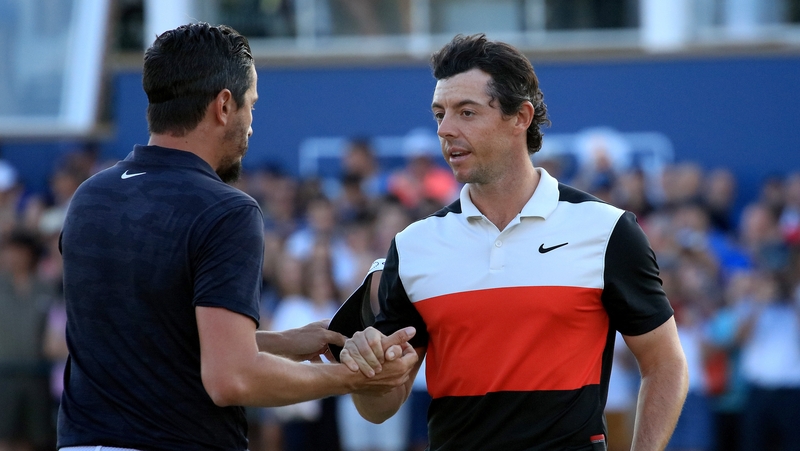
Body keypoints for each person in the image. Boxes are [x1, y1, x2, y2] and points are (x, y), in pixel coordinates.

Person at [56, 22, 417, 451]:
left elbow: (157, 338)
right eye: (251, 105)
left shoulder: (91, 196)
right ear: (224, 105)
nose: (251, 125)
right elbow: (232, 377)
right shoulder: (226, 209)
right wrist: (352, 376)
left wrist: (282, 343)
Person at [338, 34, 689, 450]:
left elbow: (665, 363)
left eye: (466, 112)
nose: (446, 130)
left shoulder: (607, 230)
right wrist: (366, 368)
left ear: (520, 117)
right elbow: (379, 408)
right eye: (439, 114)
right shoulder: (413, 245)